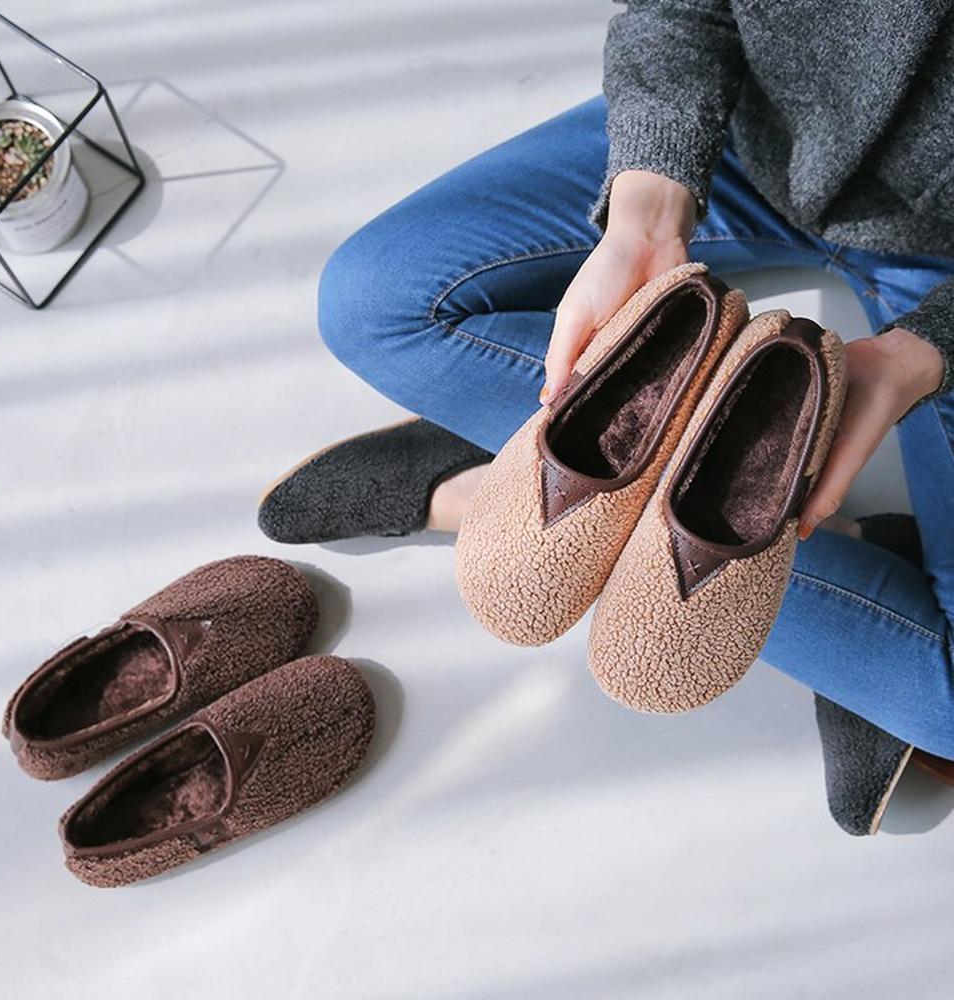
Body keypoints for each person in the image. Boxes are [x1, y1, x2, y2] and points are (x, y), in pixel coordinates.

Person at [259, 2, 954, 761]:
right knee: (369, 302)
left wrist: (925, 352)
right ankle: (806, 565)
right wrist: (647, 207)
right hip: (754, 138)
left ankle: (516, 482)